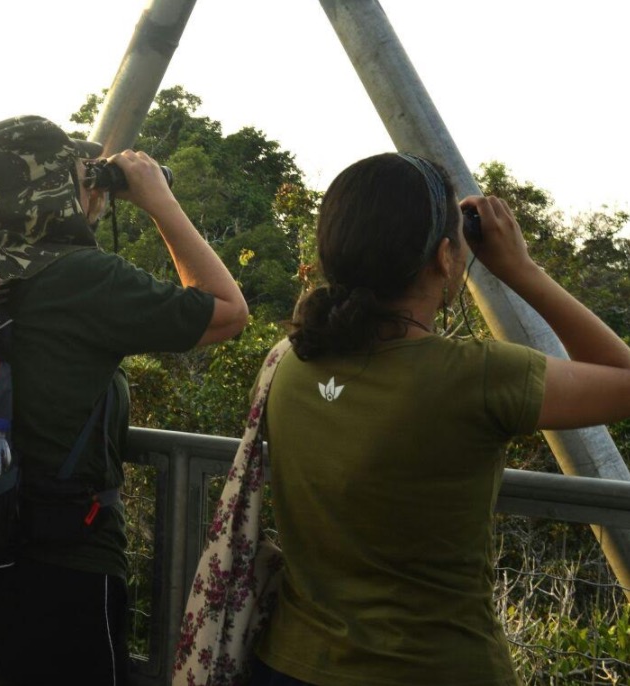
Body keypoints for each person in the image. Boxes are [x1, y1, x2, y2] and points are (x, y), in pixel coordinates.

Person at [251, 152, 630, 686]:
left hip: (289, 663)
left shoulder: (289, 361)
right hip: (432, 668)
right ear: (446, 256)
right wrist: (518, 268)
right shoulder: (475, 375)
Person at [0, 114, 248, 685]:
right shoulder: (84, 275)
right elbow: (227, 311)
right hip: (53, 574)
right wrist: (160, 202)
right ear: (60, 186)